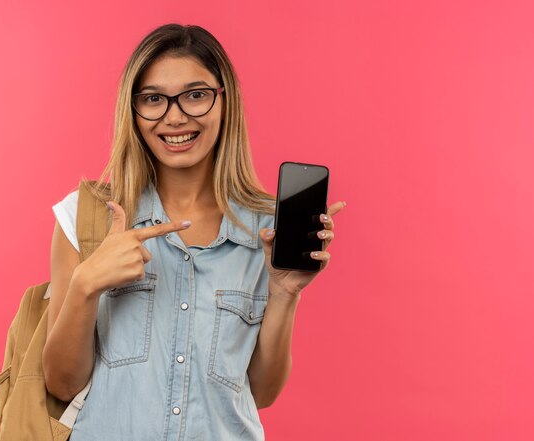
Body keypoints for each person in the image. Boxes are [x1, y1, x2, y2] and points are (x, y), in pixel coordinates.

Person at [43, 23, 345, 440]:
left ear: (225, 101)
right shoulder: (85, 218)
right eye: (153, 99)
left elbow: (262, 392)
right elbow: (60, 383)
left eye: (196, 95)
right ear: (133, 110)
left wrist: (284, 294)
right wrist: (86, 286)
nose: (175, 117)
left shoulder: (266, 230)